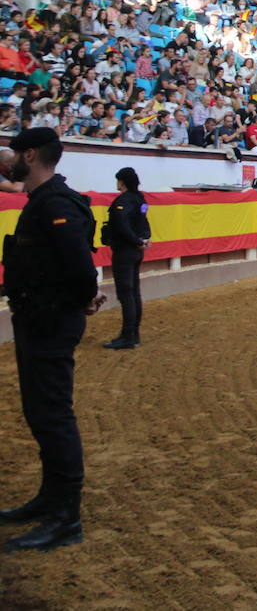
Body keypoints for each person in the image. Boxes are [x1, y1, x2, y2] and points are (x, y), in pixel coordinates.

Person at [0, 127, 103, 552]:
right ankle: (51, 500)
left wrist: (82, 300)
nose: (5, 159)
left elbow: (81, 268)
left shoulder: (55, 203)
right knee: (42, 413)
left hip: (50, 322)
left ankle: (66, 517)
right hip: (39, 318)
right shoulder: (46, 199)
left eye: (11, 153)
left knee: (53, 416)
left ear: (29, 155)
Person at [101, 166, 151, 351]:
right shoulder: (141, 200)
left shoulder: (123, 200)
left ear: (122, 181)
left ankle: (128, 335)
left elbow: (121, 224)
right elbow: (144, 220)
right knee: (134, 292)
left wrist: (136, 240)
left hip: (125, 250)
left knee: (126, 293)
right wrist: (144, 239)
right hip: (136, 250)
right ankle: (133, 334)